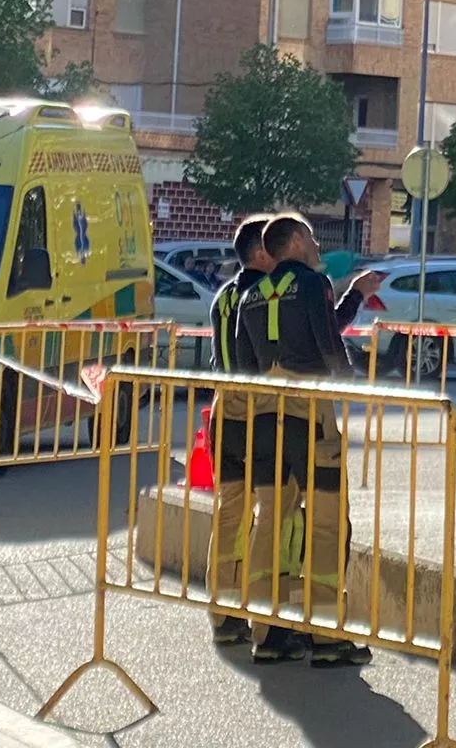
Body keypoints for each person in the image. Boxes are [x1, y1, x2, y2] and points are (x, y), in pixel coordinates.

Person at [232, 213, 373, 666]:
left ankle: (266, 632)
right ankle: (327, 634)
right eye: (311, 236)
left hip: (265, 414)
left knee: (271, 518)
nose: (315, 244)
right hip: (309, 414)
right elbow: (329, 344)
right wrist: (353, 385)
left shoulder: (249, 295)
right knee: (328, 521)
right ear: (295, 241)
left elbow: (242, 365)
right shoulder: (314, 284)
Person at [205, 214, 272, 647]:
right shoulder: (262, 295)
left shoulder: (222, 297)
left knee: (229, 512)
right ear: (262, 253)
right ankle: (264, 615)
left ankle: (223, 612)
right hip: (257, 412)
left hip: (223, 410)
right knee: (271, 514)